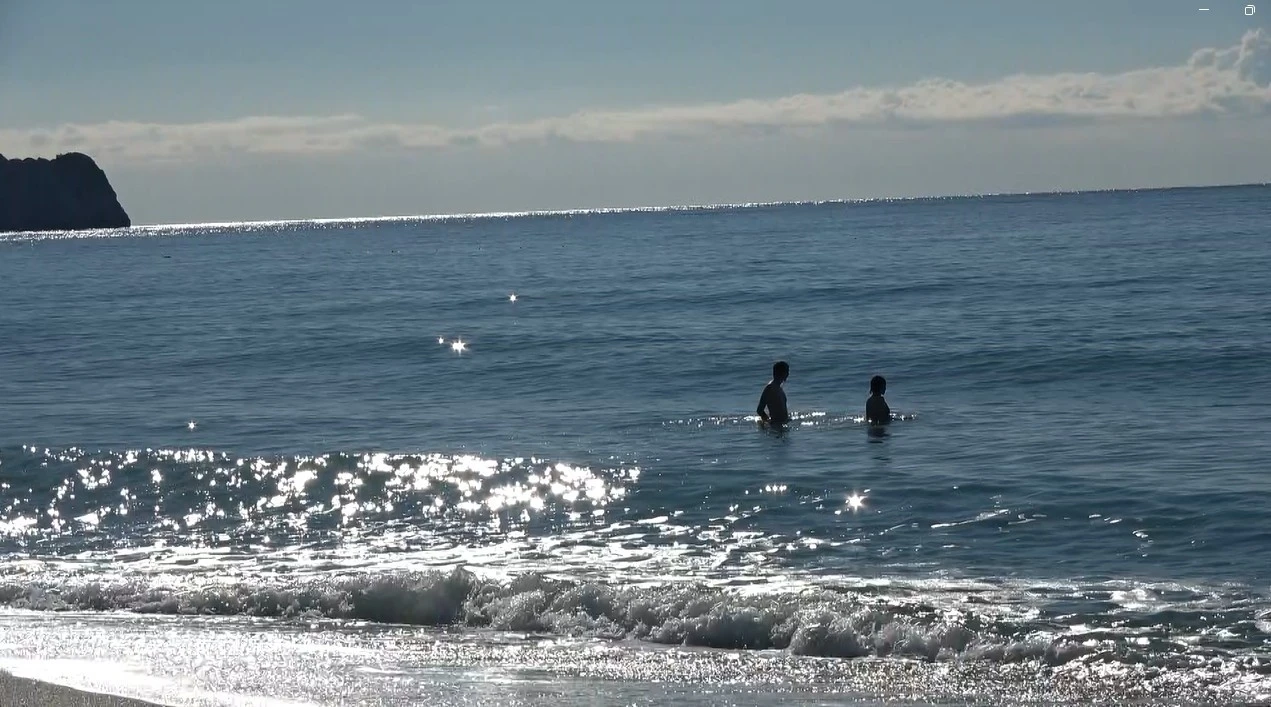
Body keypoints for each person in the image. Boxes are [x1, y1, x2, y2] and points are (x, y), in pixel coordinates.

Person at [756, 361, 791, 426]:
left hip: (782, 425)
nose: (788, 374)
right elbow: (759, 410)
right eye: (787, 371)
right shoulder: (770, 387)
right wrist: (769, 423)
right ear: (781, 373)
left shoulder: (778, 387)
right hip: (776, 426)